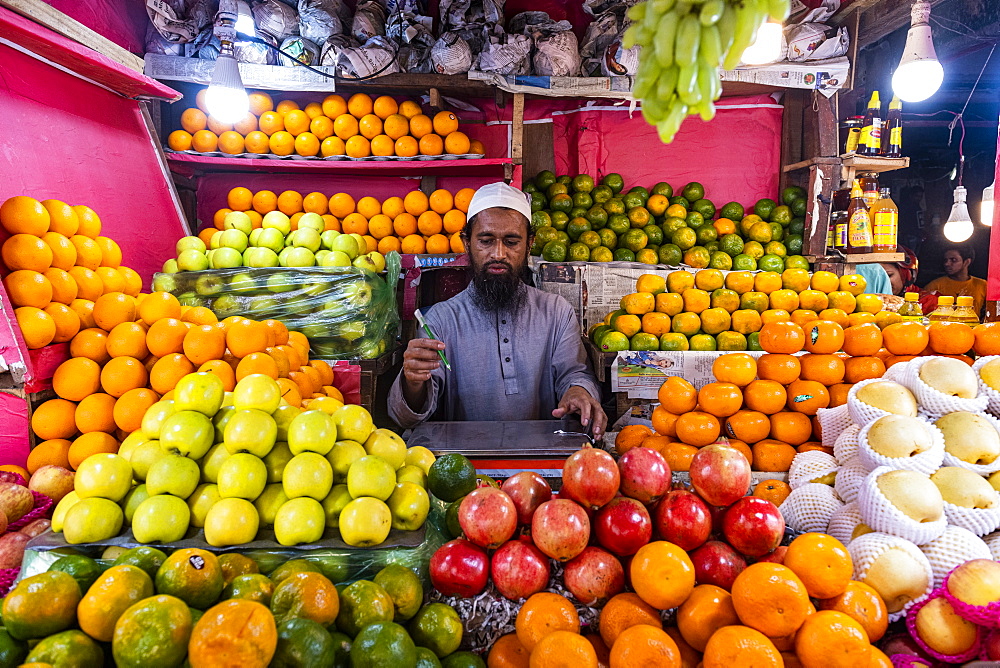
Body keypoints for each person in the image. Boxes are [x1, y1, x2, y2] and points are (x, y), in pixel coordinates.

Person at [387, 182, 607, 437]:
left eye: (512, 242)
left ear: (529, 244)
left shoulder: (556, 312)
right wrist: (413, 382)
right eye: (486, 241)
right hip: (464, 466)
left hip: (541, 461)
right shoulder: (440, 321)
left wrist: (578, 391)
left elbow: (574, 374)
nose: (499, 253)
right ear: (467, 242)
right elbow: (403, 416)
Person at [923, 246, 987, 316]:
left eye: (953, 260)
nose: (947, 264)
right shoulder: (934, 286)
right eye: (945, 260)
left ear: (967, 262)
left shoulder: (982, 285)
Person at [880, 246, 937, 314]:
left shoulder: (928, 301)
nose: (883, 282)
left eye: (889, 275)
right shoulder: (868, 302)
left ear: (907, 275)